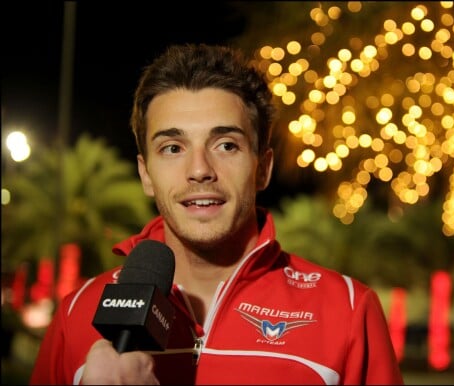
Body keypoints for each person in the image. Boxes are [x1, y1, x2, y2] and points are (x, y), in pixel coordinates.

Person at [29, 43, 404, 385]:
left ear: (262, 169)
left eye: (226, 144)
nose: (199, 169)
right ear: (145, 173)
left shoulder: (349, 310)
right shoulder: (77, 312)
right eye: (173, 148)